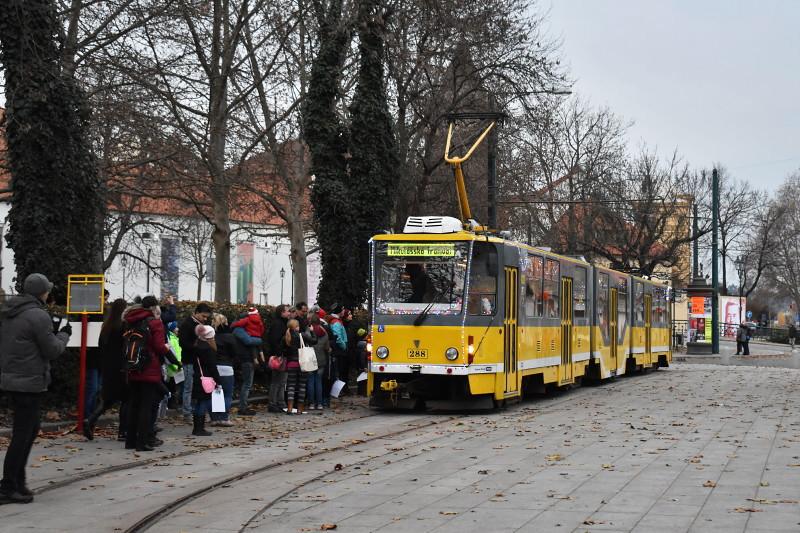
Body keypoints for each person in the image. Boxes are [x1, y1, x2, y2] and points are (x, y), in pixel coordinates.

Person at [0, 274, 72, 505]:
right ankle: (9, 485)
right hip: (29, 381)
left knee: (29, 430)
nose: (49, 294)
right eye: (47, 290)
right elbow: (52, 350)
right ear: (42, 292)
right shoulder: (37, 315)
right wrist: (64, 333)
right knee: (23, 433)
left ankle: (17, 482)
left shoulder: (11, 311)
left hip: (12, 379)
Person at [124, 296, 170, 451]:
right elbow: (158, 346)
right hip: (149, 367)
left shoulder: (130, 320)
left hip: (132, 366)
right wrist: (167, 350)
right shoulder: (154, 322)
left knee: (134, 404)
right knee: (146, 405)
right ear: (154, 307)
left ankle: (129, 441)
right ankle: (142, 442)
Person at [83, 298, 129, 441]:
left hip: (107, 367)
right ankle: (122, 432)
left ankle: (90, 420)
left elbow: (101, 348)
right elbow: (125, 348)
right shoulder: (123, 327)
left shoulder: (106, 327)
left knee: (107, 400)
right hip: (120, 367)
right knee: (126, 399)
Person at [178, 303, 213, 418]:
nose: (205, 319)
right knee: (188, 386)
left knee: (197, 386)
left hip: (199, 360)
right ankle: (187, 412)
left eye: (206, 317)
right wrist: (197, 347)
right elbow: (182, 343)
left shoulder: (201, 324)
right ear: (196, 313)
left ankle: (195, 409)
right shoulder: (187, 324)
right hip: (189, 359)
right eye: (203, 316)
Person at [192, 325, 222, 436]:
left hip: (197, 376)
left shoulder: (196, 346)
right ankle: (200, 428)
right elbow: (212, 367)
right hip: (206, 379)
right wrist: (218, 381)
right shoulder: (208, 349)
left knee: (198, 403)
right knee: (203, 403)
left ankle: (196, 427)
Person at [283, 319, 316, 414]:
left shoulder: (285, 337)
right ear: (296, 326)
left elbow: (282, 350)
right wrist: (312, 331)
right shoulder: (302, 335)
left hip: (291, 364)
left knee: (291, 386)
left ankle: (289, 408)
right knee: (302, 386)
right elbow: (314, 341)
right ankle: (299, 409)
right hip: (302, 363)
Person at [209, 313, 235, 426]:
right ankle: (224, 418)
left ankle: (214, 418)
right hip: (227, 367)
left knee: (215, 394)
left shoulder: (211, 336)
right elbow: (234, 353)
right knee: (227, 394)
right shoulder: (230, 337)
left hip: (213, 366)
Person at [267, 304, 291, 413]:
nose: (289, 313)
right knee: (277, 381)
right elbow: (274, 341)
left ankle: (280, 402)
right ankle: (274, 403)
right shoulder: (278, 324)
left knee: (281, 381)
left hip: (282, 354)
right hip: (279, 356)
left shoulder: (281, 323)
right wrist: (279, 354)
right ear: (282, 312)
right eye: (287, 311)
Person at [307, 313, 330, 410]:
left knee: (311, 381)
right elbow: (327, 347)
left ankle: (312, 403)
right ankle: (320, 403)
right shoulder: (324, 332)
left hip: (310, 358)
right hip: (321, 358)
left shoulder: (308, 331)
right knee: (319, 381)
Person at [327, 305, 349, 389]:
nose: (344, 311)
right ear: (339, 311)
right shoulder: (336, 322)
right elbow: (338, 337)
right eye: (343, 310)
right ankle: (337, 390)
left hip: (339, 349)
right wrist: (344, 346)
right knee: (339, 370)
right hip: (339, 350)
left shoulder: (338, 321)